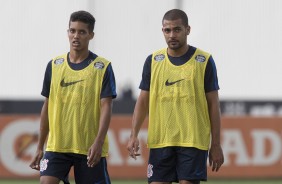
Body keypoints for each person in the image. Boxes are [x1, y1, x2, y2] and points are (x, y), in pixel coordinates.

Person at [127, 9, 224, 184]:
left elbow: (213, 105)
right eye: (167, 30)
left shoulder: (204, 61)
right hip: (160, 141)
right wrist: (133, 134)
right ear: (162, 31)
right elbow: (142, 101)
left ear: (188, 29)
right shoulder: (153, 61)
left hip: (193, 141)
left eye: (177, 30)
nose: (172, 35)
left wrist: (215, 144)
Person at [29, 10, 116, 184]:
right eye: (72, 30)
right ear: (67, 32)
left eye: (82, 32)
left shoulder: (102, 67)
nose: (76, 36)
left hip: (88, 147)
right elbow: (47, 105)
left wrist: (98, 142)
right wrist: (40, 146)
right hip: (57, 146)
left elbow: (106, 106)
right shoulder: (54, 65)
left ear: (91, 35)